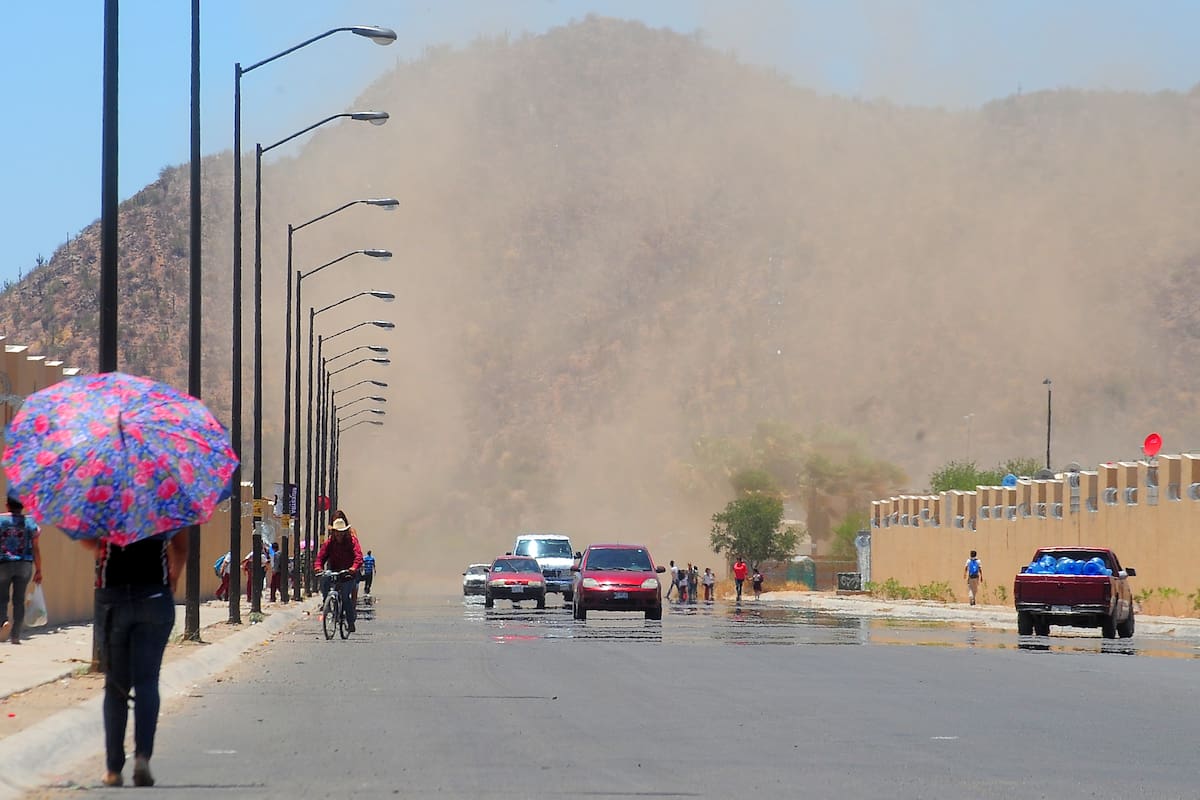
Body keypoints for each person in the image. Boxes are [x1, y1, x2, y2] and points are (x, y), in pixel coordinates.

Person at [87, 529, 188, 787]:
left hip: (112, 597)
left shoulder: (104, 497)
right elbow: (181, 545)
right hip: (155, 595)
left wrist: (105, 542)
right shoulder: (165, 495)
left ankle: (113, 768)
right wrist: (174, 574)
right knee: (147, 681)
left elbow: (89, 540)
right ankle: (142, 757)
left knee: (115, 686)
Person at [0, 495, 42, 644]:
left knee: (2, 597)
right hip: (24, 564)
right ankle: (16, 635)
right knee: (19, 600)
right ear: (22, 505)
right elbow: (36, 548)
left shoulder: (0, 520)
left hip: (3, 563)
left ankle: (3, 620)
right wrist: (39, 570)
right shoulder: (30, 522)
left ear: (7, 505)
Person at [315, 514, 364, 632]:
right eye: (337, 532)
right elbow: (320, 557)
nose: (339, 534)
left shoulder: (352, 541)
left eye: (341, 532)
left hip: (348, 572)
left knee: (346, 597)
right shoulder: (329, 543)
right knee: (324, 582)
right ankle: (327, 602)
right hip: (334, 570)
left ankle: (350, 621)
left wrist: (353, 568)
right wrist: (318, 567)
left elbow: (358, 556)